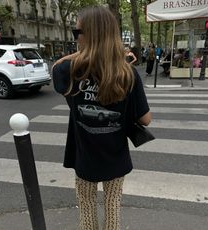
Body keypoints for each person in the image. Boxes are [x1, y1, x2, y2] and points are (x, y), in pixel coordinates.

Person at [52, 5, 151, 230]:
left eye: (78, 33)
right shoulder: (127, 73)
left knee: (86, 203)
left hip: (84, 152)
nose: (76, 38)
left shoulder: (68, 70)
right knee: (113, 202)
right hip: (115, 153)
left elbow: (57, 66)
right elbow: (145, 120)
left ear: (91, 36)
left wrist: (84, 53)